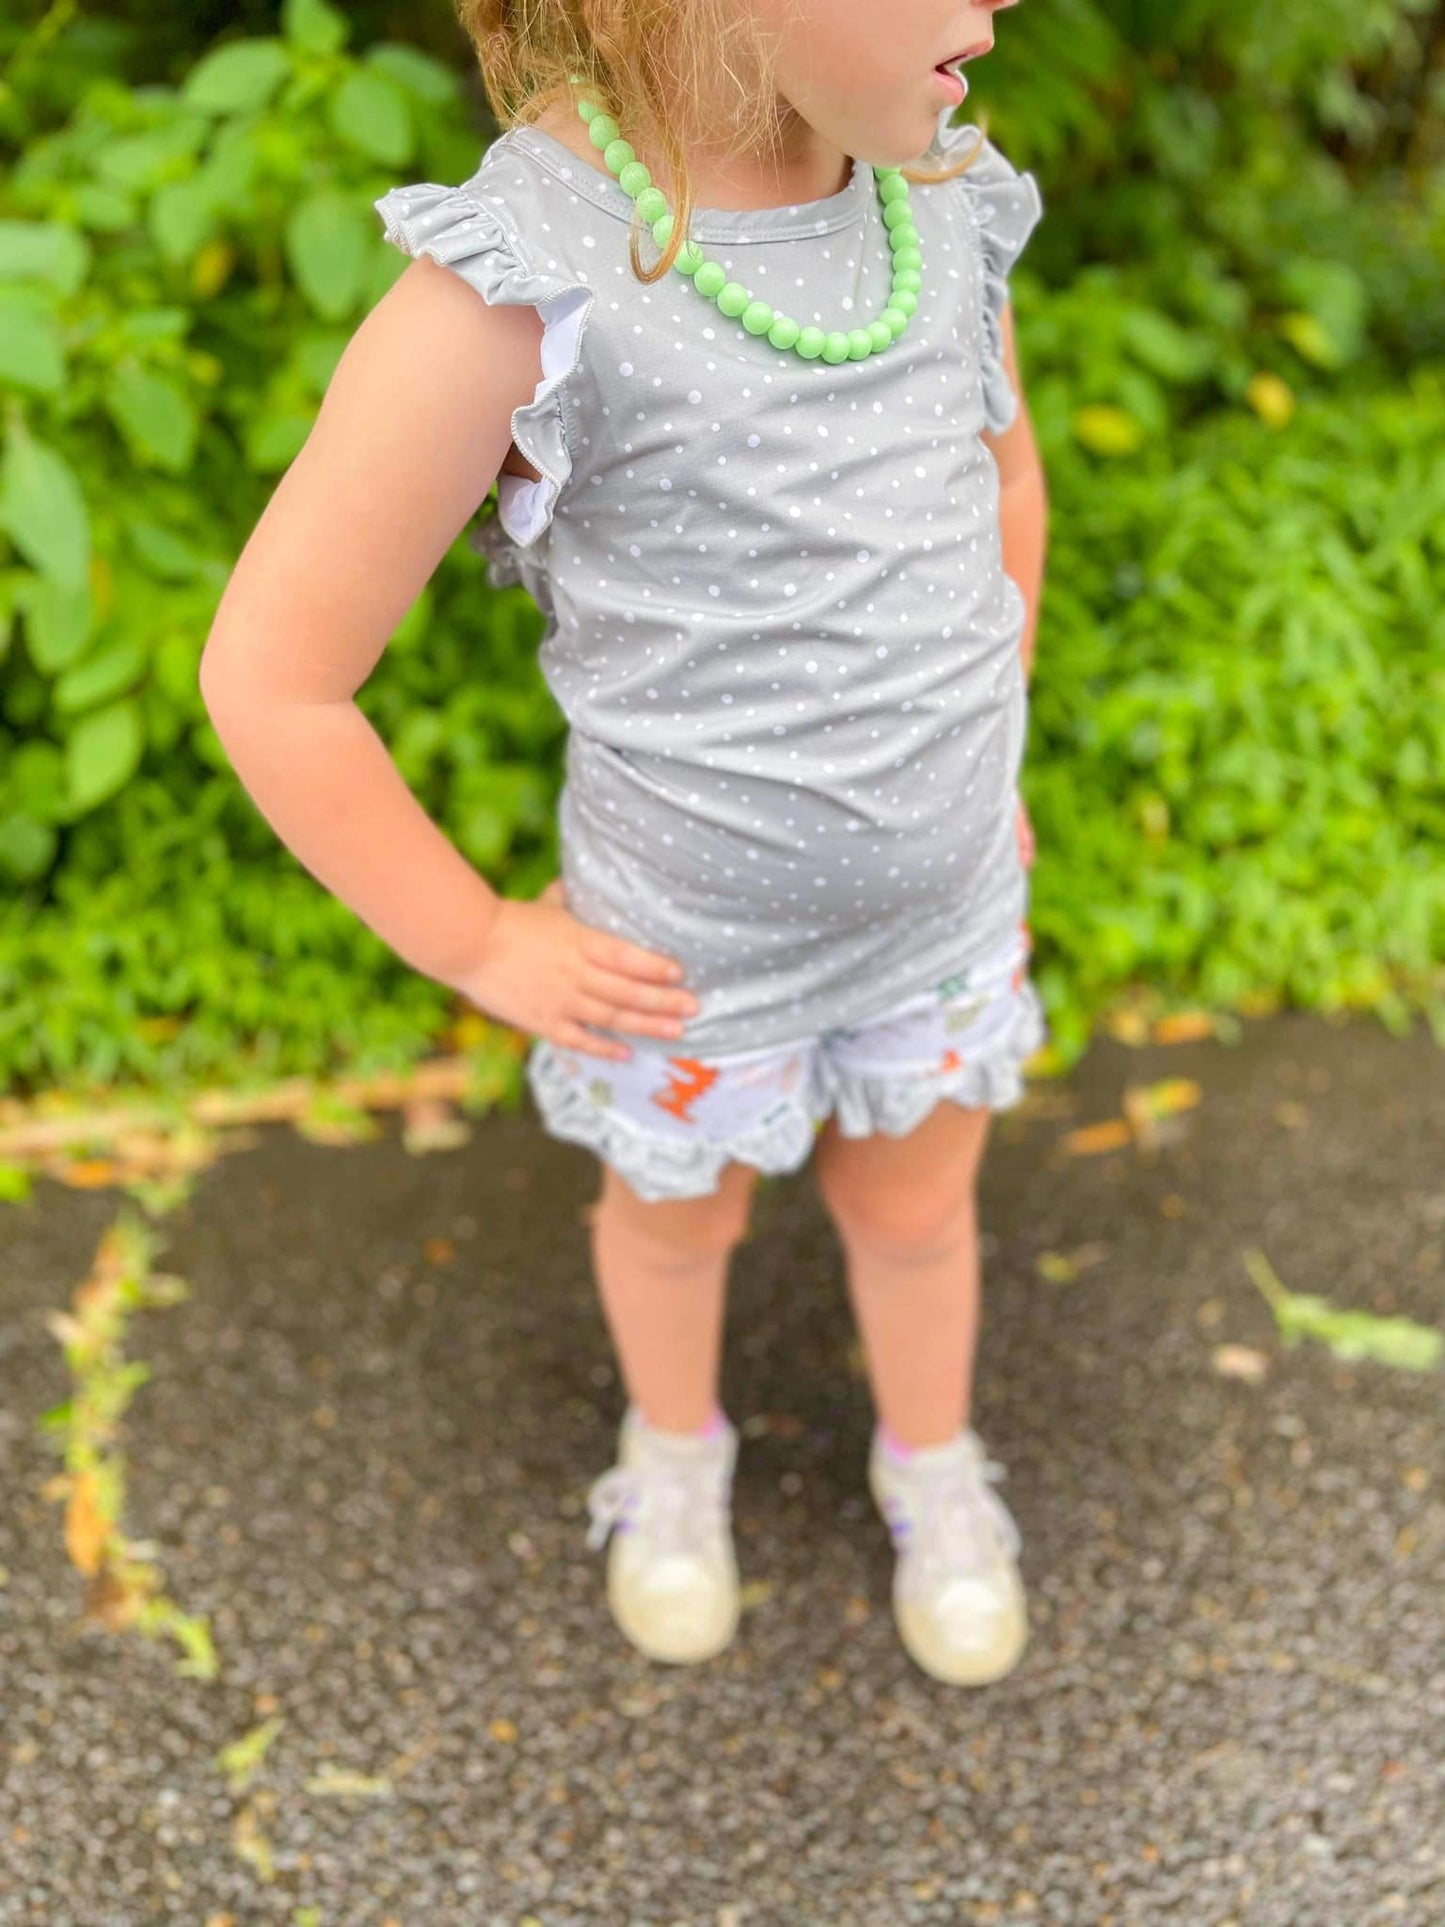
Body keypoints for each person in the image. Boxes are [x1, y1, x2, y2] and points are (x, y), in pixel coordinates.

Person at [199, 0, 1048, 1687]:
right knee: (673, 1221)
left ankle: (931, 1469)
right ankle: (674, 1463)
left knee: (919, 1204)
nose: (995, 5)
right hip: (681, 955)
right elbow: (274, 676)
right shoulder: (528, 276)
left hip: (943, 903)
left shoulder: (933, 188)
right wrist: (477, 941)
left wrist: (984, 738)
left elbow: (998, 484)